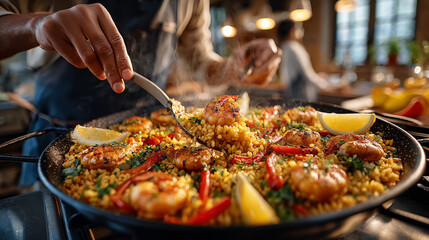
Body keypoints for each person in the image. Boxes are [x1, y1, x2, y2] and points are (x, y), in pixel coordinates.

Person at [0, 0, 281, 185]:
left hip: (147, 139)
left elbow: (201, 61)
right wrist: (35, 25)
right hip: (57, 142)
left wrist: (234, 68)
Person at [277, 19, 334, 101]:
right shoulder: (294, 47)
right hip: (302, 94)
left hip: (291, 93)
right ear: (292, 31)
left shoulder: (284, 47)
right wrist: (326, 85)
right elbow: (307, 74)